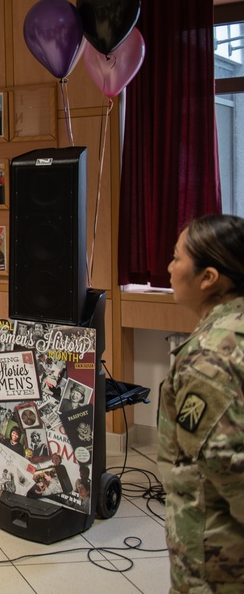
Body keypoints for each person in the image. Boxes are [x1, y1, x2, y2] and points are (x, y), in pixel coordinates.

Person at [158, 214, 244, 591]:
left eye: (177, 258)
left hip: (216, 547)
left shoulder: (209, 357)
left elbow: (226, 462)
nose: (169, 267)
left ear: (208, 278)